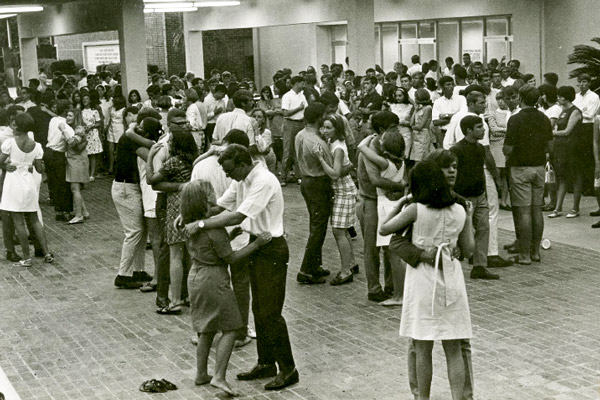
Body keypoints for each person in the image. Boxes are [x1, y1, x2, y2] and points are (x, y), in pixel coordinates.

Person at [180, 144, 299, 391]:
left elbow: (236, 217)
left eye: (229, 169)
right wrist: (189, 215)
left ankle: (289, 369)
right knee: (258, 308)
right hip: (258, 244)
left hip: (271, 248)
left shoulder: (264, 180)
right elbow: (219, 208)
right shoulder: (241, 179)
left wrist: (200, 224)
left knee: (271, 312)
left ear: (242, 163)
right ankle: (266, 363)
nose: (226, 175)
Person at [381, 160, 474, 400]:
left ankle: (422, 398)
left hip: (423, 279)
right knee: (454, 348)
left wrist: (400, 204)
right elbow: (470, 248)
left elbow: (384, 229)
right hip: (451, 278)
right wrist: (469, 219)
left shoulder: (416, 210)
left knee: (422, 347)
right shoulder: (460, 210)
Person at [180, 180, 271, 397]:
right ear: (205, 200)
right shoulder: (214, 228)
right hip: (214, 280)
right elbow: (230, 258)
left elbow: (207, 249)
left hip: (196, 276)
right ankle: (219, 376)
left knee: (206, 329)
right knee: (231, 327)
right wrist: (256, 244)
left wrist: (229, 237)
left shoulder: (186, 224)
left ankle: (201, 373)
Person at [356, 111, 406, 301]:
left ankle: (391, 285)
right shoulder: (370, 149)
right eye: (394, 127)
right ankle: (374, 288)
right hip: (371, 201)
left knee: (390, 247)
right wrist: (399, 186)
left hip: (386, 202)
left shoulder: (392, 144)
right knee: (372, 248)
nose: (398, 130)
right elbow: (375, 179)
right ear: (383, 130)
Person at [147, 129, 197, 314]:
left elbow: (151, 180)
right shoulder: (194, 160)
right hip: (191, 203)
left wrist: (151, 156)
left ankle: (174, 299)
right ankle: (190, 296)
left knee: (175, 254)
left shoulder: (174, 162)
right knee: (190, 254)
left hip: (175, 206)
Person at [504, 85, 553, 265]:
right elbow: (550, 147)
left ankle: (524, 255)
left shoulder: (515, 120)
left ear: (521, 98)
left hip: (520, 168)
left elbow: (507, 148)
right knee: (536, 209)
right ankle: (535, 252)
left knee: (523, 211)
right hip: (539, 167)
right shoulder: (544, 118)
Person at [0, 113, 54, 267]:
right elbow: (38, 168)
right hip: (28, 183)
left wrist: (5, 166)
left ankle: (26, 257)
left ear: (20, 126)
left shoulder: (10, 143)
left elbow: (0, 161)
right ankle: (47, 253)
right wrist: (30, 165)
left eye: (15, 124)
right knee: (34, 219)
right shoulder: (36, 146)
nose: (13, 127)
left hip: (13, 182)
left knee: (18, 221)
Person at [450, 115, 499, 280]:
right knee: (458, 232)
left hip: (479, 196)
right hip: (464, 197)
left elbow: (480, 172)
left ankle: (479, 266)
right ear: (468, 130)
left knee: (484, 228)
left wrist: (483, 192)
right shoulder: (456, 150)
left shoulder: (479, 148)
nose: (483, 129)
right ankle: (452, 266)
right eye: (479, 127)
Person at [315, 113, 358, 285]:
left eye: (329, 128)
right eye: (323, 127)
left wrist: (319, 158)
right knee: (344, 230)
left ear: (337, 129)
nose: (325, 131)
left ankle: (346, 271)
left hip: (344, 190)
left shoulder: (337, 147)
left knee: (339, 231)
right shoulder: (333, 142)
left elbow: (335, 174)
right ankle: (351, 263)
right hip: (342, 190)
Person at [295, 102, 334, 284]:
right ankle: (306, 269)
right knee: (318, 227)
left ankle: (314, 264)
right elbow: (332, 167)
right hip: (318, 182)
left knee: (315, 224)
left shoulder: (301, 134)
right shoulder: (317, 142)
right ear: (319, 118)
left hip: (306, 180)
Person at [548, 86, 583, 220]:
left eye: (560, 96)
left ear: (566, 97)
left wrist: (553, 133)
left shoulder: (575, 111)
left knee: (575, 177)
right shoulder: (563, 111)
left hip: (572, 147)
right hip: (561, 147)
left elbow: (568, 130)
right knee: (561, 177)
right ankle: (558, 208)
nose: (558, 98)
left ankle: (575, 208)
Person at [46, 100, 75, 221]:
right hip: (58, 154)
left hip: (48, 152)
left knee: (54, 183)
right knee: (64, 184)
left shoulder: (53, 120)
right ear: (65, 111)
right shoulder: (67, 127)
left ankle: (58, 210)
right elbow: (72, 142)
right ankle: (66, 211)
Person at [281, 76, 308, 185]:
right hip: (290, 123)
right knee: (288, 150)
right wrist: (298, 109)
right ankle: (284, 176)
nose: (304, 85)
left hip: (301, 123)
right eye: (302, 83)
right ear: (296, 83)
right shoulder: (287, 96)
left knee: (299, 150)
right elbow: (285, 113)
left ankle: (299, 175)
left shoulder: (302, 95)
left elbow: (306, 109)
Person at [488, 91, 512, 210]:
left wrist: (501, 130)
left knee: (505, 174)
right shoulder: (492, 113)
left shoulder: (510, 113)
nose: (501, 101)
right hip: (495, 145)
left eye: (503, 99)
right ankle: (493, 200)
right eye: (498, 99)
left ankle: (503, 201)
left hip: (506, 144)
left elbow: (499, 130)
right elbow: (493, 129)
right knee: (495, 173)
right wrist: (507, 130)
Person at [65, 110, 89, 224]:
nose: (67, 117)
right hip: (74, 161)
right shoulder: (74, 128)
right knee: (76, 188)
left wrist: (63, 130)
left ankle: (79, 215)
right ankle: (84, 212)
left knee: (75, 189)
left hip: (77, 162)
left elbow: (72, 143)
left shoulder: (79, 129)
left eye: (70, 115)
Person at [81, 92, 103, 181]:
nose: (85, 101)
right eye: (83, 99)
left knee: (93, 155)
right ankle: (85, 173)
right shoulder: (81, 111)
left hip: (93, 133)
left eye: (86, 99)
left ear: (90, 100)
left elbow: (99, 123)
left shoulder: (94, 111)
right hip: (84, 133)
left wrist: (92, 126)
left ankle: (92, 174)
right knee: (85, 154)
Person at [386, 87, 413, 159]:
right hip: (395, 132)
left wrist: (406, 123)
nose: (397, 98)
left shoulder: (410, 107)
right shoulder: (392, 106)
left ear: (405, 96)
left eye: (400, 96)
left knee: (405, 154)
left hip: (406, 132)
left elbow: (413, 121)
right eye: (396, 96)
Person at [409, 89, 433, 166]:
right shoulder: (419, 108)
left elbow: (420, 126)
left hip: (423, 135)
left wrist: (413, 127)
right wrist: (415, 110)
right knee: (416, 157)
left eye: (416, 98)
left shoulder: (428, 108)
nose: (415, 99)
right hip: (416, 135)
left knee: (420, 159)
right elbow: (411, 123)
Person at [106, 96, 127, 175]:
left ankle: (119, 168)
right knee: (110, 150)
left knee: (119, 150)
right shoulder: (112, 108)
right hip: (112, 129)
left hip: (120, 129)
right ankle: (111, 167)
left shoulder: (124, 109)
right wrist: (107, 128)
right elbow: (109, 120)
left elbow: (124, 122)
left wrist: (125, 131)